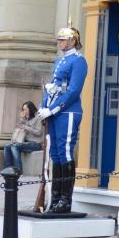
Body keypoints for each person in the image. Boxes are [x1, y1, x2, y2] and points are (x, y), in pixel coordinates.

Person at [37, 25, 87, 214]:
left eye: (63, 39)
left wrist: (53, 109)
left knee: (65, 152)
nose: (59, 42)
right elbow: (53, 87)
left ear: (73, 41)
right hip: (54, 112)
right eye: (59, 39)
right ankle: (56, 198)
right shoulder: (60, 61)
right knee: (56, 154)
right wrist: (43, 106)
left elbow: (73, 91)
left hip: (67, 112)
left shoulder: (78, 61)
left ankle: (65, 201)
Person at [2, 101, 44, 174]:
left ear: (30, 109)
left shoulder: (38, 117)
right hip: (25, 142)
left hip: (36, 143)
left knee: (15, 146)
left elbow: (39, 132)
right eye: (23, 109)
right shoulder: (26, 118)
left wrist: (26, 127)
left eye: (25, 109)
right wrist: (22, 118)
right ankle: (7, 171)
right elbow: (18, 126)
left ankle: (18, 171)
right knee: (7, 146)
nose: (24, 111)